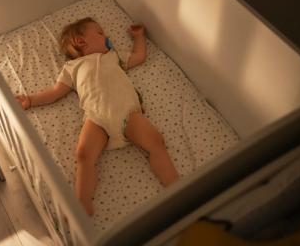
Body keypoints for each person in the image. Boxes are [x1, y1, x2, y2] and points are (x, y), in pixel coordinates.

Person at [16, 17, 178, 215]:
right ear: (81, 41)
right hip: (97, 118)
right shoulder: (72, 68)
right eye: (101, 33)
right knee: (83, 155)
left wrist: (139, 37)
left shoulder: (114, 56)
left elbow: (139, 56)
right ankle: (82, 202)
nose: (107, 36)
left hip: (127, 112)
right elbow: (55, 92)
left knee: (156, 143)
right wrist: (30, 100)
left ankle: (176, 189)